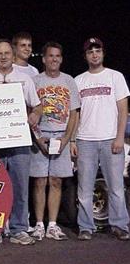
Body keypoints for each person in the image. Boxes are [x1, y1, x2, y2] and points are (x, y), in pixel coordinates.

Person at [0, 39, 42, 245]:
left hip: (19, 140)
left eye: (7, 53)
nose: (3, 56)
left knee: (20, 186)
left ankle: (18, 229)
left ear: (12, 55)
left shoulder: (25, 79)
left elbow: (38, 106)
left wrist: (35, 116)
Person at [71, 37, 130, 241]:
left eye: (97, 50)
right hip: (85, 141)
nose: (94, 54)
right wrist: (73, 140)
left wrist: (119, 137)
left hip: (111, 139)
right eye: (90, 51)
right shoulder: (78, 80)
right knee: (84, 188)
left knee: (115, 187)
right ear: (85, 55)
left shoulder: (115, 77)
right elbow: (75, 114)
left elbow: (123, 109)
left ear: (103, 53)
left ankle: (119, 225)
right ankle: (86, 227)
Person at [29, 42, 79, 241]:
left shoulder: (69, 81)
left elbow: (74, 113)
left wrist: (67, 139)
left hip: (61, 136)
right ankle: (39, 224)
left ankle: (52, 224)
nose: (54, 59)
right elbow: (29, 110)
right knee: (40, 181)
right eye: (50, 56)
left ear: (61, 59)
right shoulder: (34, 81)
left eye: (57, 56)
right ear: (43, 58)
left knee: (56, 181)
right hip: (40, 135)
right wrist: (39, 138)